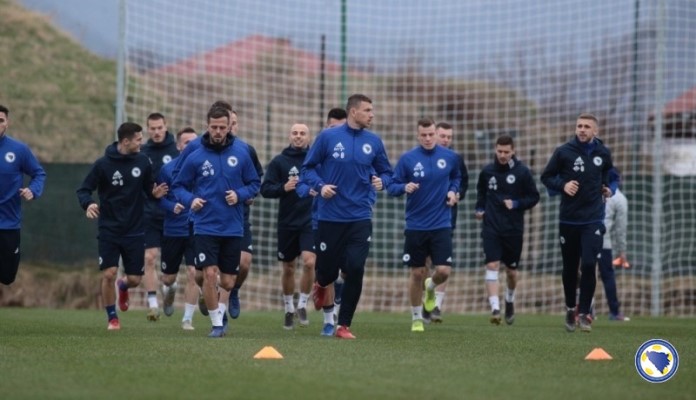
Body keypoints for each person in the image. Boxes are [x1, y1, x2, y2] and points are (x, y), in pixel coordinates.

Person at [302, 94, 393, 339]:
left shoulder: (374, 142)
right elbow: (307, 169)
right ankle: (321, 284)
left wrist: (381, 181)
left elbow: (387, 173)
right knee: (327, 272)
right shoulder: (328, 137)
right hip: (330, 217)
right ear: (354, 112)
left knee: (355, 267)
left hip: (360, 216)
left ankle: (343, 325)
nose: (372, 114)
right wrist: (321, 187)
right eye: (368, 110)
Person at [172, 107, 260, 338]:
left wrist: (239, 195)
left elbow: (254, 183)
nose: (218, 131)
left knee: (228, 282)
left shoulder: (242, 152)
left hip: (232, 226)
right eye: (214, 127)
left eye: (222, 127)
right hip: (204, 225)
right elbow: (178, 185)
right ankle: (216, 324)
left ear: (230, 125)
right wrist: (191, 200)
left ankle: (217, 306)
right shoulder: (195, 154)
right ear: (207, 125)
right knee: (210, 274)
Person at [76, 122, 168, 330]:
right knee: (108, 273)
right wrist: (88, 203)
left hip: (135, 230)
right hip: (109, 229)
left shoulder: (143, 162)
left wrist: (154, 194)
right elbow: (84, 190)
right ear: (126, 141)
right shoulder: (102, 165)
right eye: (138, 139)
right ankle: (112, 318)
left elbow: (148, 190)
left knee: (135, 279)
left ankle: (124, 285)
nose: (141, 142)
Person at [541, 113, 613, 333]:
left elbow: (611, 177)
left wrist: (609, 189)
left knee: (590, 264)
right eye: (579, 126)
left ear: (595, 131)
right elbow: (546, 176)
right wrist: (563, 185)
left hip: (593, 219)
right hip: (568, 220)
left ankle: (584, 313)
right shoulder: (563, 152)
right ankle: (570, 308)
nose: (582, 129)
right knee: (571, 268)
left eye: (586, 126)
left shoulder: (603, 153)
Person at [387, 117, 461, 332]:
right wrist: (404, 187)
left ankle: (431, 286)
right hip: (416, 225)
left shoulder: (450, 157)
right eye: (424, 135)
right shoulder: (408, 159)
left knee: (444, 271)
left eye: (431, 135)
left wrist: (453, 191)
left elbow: (456, 178)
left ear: (436, 135)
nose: (428, 138)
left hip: (441, 223)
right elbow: (392, 186)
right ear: (417, 135)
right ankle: (417, 317)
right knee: (417, 273)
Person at [474, 134, 539, 325]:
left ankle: (509, 299)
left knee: (511, 272)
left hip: (513, 229)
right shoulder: (487, 172)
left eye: (506, 152)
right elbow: (481, 195)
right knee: (492, 265)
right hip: (491, 228)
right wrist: (479, 209)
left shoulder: (522, 172)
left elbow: (534, 197)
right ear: (495, 149)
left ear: (513, 151)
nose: (502, 155)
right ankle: (495, 309)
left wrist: (517, 203)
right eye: (499, 151)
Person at [260, 123, 315, 330]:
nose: (298, 136)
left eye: (302, 133)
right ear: (289, 136)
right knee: (289, 267)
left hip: (310, 221)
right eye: (295, 133)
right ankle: (288, 307)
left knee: (310, 262)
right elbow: (265, 189)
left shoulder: (315, 161)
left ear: (309, 138)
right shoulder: (279, 162)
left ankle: (302, 303)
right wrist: (283, 187)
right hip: (287, 222)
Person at [422, 121, 469, 323]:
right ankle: (423, 301)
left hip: (446, 219)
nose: (446, 140)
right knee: (423, 265)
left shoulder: (455, 159)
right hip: (422, 220)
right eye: (443, 136)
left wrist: (456, 194)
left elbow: (463, 184)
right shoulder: (421, 157)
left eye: (449, 137)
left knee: (443, 265)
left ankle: (436, 306)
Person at [157, 127, 200, 330]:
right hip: (173, 230)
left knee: (193, 273)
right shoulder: (167, 170)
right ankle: (170, 289)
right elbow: (158, 200)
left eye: (194, 142)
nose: (190, 146)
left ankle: (187, 318)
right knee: (168, 277)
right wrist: (171, 206)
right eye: (186, 143)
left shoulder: (203, 167)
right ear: (178, 145)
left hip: (196, 228)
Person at [0, 104, 46, 286]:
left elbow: (38, 173)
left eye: (1, 120)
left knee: (7, 276)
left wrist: (32, 190)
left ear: (7, 123)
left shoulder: (19, 150)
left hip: (9, 223)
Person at [141, 113, 179, 321]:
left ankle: (171, 288)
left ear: (166, 126)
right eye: (152, 128)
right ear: (148, 129)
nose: (156, 132)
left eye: (159, 127)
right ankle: (153, 304)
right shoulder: (143, 152)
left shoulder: (175, 151)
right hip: (149, 214)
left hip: (171, 215)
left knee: (169, 275)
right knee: (149, 258)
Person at [598, 167, 630, 321]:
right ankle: (614, 311)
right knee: (608, 276)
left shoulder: (594, 192)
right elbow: (620, 229)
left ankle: (586, 312)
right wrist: (622, 251)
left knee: (585, 274)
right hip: (604, 242)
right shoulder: (620, 199)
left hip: (585, 237)